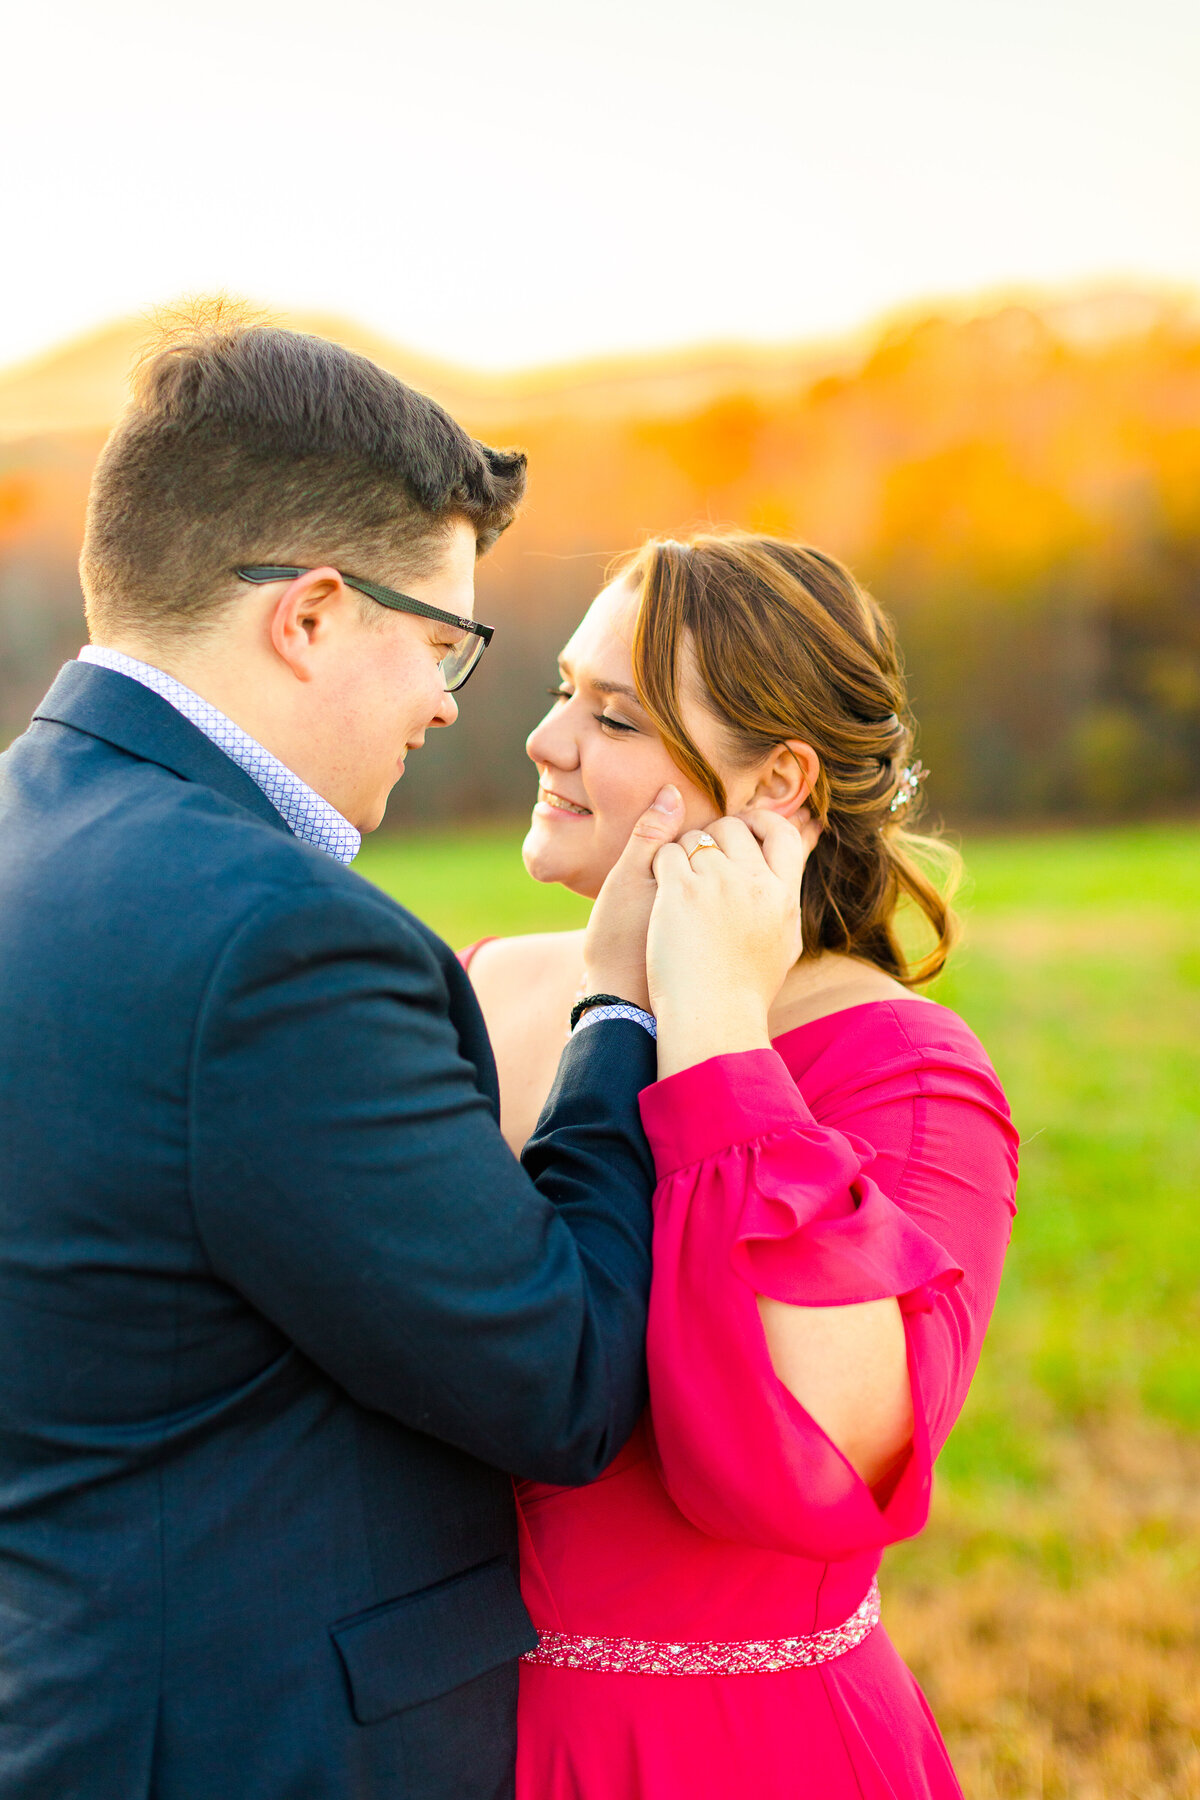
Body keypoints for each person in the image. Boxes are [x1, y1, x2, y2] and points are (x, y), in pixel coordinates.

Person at [0, 322, 800, 1800]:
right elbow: (557, 1382)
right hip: (254, 1745)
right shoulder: (276, 940)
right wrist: (623, 1012)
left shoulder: (27, 833)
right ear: (309, 616)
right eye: (444, 643)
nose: (450, 703)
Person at [464, 532, 1021, 1799]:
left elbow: (815, 1464)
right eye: (563, 692)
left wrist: (710, 1023)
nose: (548, 744)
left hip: (731, 1753)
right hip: (428, 1737)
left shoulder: (908, 1076)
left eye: (612, 716)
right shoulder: (479, 984)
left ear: (777, 785)